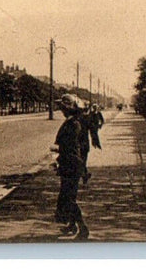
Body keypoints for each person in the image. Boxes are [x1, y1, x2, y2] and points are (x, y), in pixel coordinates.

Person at [52, 93, 90, 240]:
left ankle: (83, 228)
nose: (62, 110)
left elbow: (73, 148)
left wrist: (81, 169)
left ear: (70, 109)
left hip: (71, 165)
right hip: (69, 164)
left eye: (64, 107)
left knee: (68, 198)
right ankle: (72, 225)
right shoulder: (72, 122)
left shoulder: (73, 124)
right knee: (68, 196)